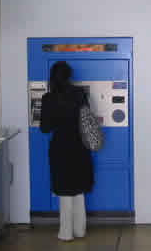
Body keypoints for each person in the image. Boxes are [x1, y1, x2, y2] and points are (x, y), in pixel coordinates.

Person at [40, 61, 94, 241]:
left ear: (53, 77)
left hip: (60, 148)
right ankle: (80, 230)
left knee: (64, 191)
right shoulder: (80, 94)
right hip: (79, 147)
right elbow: (87, 119)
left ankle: (66, 233)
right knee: (78, 189)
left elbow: (45, 128)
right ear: (69, 75)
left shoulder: (48, 98)